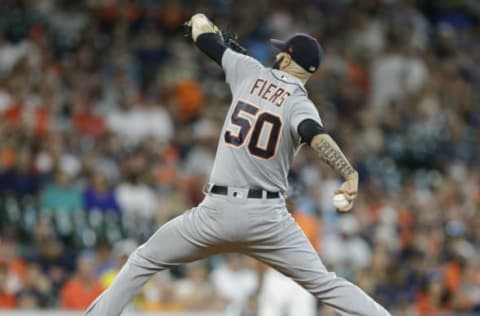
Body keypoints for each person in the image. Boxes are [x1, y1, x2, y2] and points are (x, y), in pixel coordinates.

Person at [86, 13, 391, 316]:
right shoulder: (301, 103)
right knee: (326, 284)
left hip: (216, 212)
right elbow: (314, 135)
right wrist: (348, 172)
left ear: (286, 59)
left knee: (144, 260)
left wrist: (201, 20)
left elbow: (203, 36)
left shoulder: (248, 71)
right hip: (268, 220)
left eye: (281, 51)